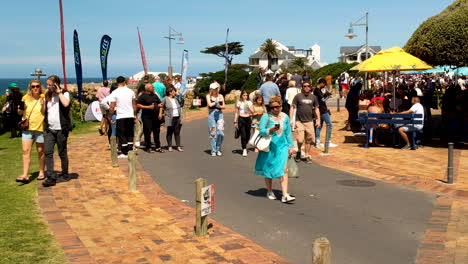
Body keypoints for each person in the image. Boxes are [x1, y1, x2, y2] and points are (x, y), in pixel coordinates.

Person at [254, 96, 296, 203]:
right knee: (268, 168)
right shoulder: (266, 116)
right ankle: (269, 190)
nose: (274, 109)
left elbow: (288, 133)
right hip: (269, 146)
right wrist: (271, 129)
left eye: (277, 107)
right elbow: (261, 131)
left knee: (284, 169)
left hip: (282, 147)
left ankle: (285, 195)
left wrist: (291, 147)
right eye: (272, 108)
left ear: (281, 106)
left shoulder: (285, 117)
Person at [42, 75, 71, 187]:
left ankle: (64, 174)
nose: (48, 87)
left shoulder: (64, 93)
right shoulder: (47, 95)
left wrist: (59, 93)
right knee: (48, 152)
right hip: (50, 129)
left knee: (62, 152)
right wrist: (42, 104)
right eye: (47, 85)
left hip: (61, 129)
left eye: (50, 84)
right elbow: (45, 111)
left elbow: (66, 104)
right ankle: (51, 177)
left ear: (56, 84)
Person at [16, 80, 46, 183]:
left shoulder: (43, 97)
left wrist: (43, 104)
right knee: (25, 151)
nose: (35, 88)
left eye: (37, 86)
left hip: (40, 129)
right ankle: (25, 175)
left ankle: (41, 172)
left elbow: (44, 112)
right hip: (27, 129)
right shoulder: (25, 98)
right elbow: (19, 112)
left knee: (41, 151)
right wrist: (21, 109)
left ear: (40, 87)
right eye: (33, 87)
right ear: (30, 88)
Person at [290, 82, 320, 163]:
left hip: (309, 121)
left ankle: (306, 155)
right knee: (300, 139)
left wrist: (318, 120)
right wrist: (291, 119)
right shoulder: (298, 96)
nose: (306, 87)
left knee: (310, 139)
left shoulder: (313, 97)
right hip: (299, 121)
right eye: (304, 86)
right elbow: (292, 107)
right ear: (302, 87)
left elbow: (316, 109)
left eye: (308, 86)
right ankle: (299, 152)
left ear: (310, 87)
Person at [108, 76, 137, 158]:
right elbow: (134, 105)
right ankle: (130, 150)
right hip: (130, 115)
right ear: (124, 82)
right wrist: (135, 115)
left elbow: (112, 107)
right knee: (130, 133)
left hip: (121, 115)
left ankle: (124, 152)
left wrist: (110, 117)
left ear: (117, 82)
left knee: (122, 134)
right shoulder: (131, 91)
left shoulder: (115, 92)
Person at [137, 83, 163, 153]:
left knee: (157, 132)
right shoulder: (142, 96)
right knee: (147, 132)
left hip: (156, 117)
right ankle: (148, 147)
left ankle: (158, 147)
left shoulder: (155, 95)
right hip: (147, 117)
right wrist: (148, 107)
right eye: (152, 87)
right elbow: (138, 105)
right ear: (148, 88)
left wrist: (160, 113)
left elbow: (160, 104)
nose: (153, 88)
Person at [314, 78, 338, 148]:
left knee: (319, 125)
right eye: (324, 85)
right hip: (323, 110)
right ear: (321, 83)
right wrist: (328, 94)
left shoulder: (317, 90)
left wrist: (326, 94)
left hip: (320, 109)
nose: (324, 86)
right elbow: (323, 100)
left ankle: (317, 142)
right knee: (329, 125)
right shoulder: (317, 90)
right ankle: (328, 141)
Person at [160, 87, 183, 152]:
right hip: (169, 118)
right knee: (170, 132)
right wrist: (161, 114)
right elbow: (161, 106)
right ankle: (169, 146)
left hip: (177, 117)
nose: (175, 92)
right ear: (170, 92)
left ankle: (178, 146)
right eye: (174, 91)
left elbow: (180, 106)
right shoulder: (165, 99)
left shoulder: (175, 99)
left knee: (177, 132)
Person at [206, 82, 225, 156]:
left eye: (217, 88)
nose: (216, 90)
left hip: (220, 115)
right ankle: (213, 150)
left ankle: (218, 148)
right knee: (213, 133)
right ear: (211, 89)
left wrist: (219, 106)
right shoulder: (208, 96)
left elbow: (224, 106)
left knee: (220, 132)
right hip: (212, 116)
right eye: (214, 89)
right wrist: (216, 102)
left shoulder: (221, 96)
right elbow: (210, 104)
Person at [234, 90, 254, 157]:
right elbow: (236, 112)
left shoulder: (249, 102)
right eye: (244, 95)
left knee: (248, 134)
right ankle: (244, 149)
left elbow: (253, 112)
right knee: (243, 135)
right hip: (241, 119)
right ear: (241, 96)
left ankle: (245, 143)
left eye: (246, 95)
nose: (245, 97)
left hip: (248, 119)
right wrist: (235, 121)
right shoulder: (239, 102)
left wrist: (248, 106)